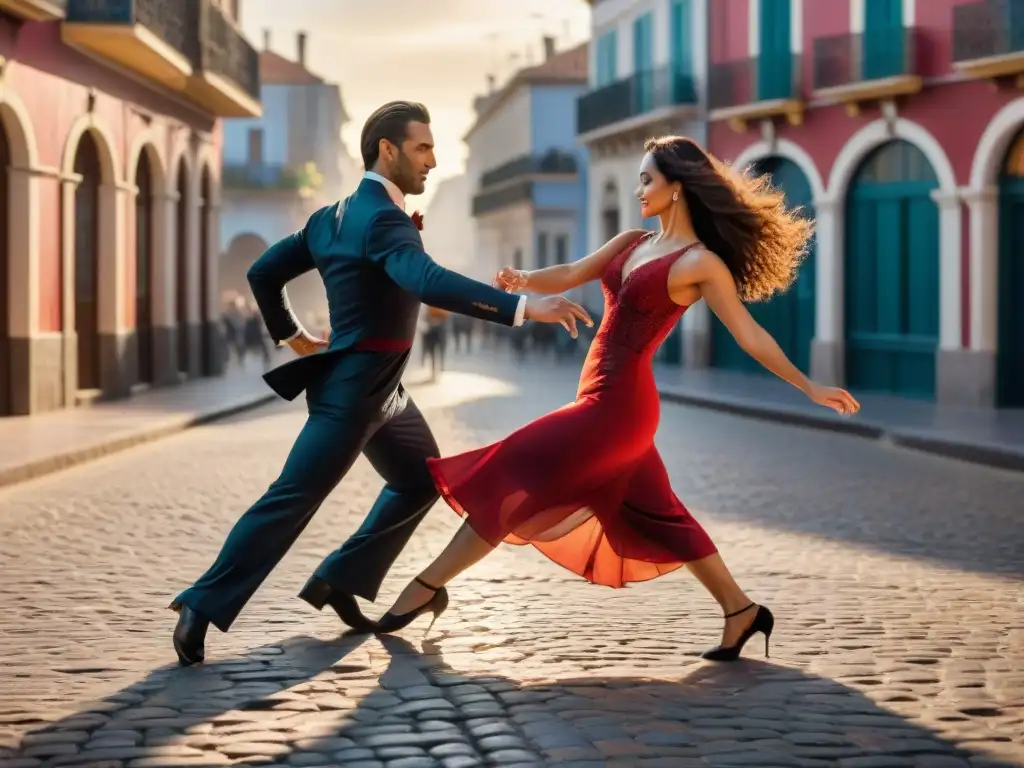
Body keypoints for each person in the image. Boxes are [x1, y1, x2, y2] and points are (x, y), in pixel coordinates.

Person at [374, 135, 860, 661]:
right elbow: (573, 272)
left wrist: (809, 386)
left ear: (678, 187)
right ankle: (740, 611)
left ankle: (425, 587)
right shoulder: (632, 241)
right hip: (600, 396)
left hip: (618, 410)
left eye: (648, 179)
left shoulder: (701, 264)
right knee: (661, 513)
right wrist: (523, 283)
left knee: (511, 471)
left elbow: (750, 337)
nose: (639, 189)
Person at [168, 101, 592, 666]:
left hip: (385, 394)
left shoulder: (331, 217)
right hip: (351, 393)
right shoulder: (384, 221)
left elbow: (263, 272)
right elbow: (424, 279)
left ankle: (342, 578)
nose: (433, 161)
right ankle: (201, 603)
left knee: (419, 481)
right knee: (290, 498)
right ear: (386, 150)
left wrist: (292, 334)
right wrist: (522, 308)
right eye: (422, 148)